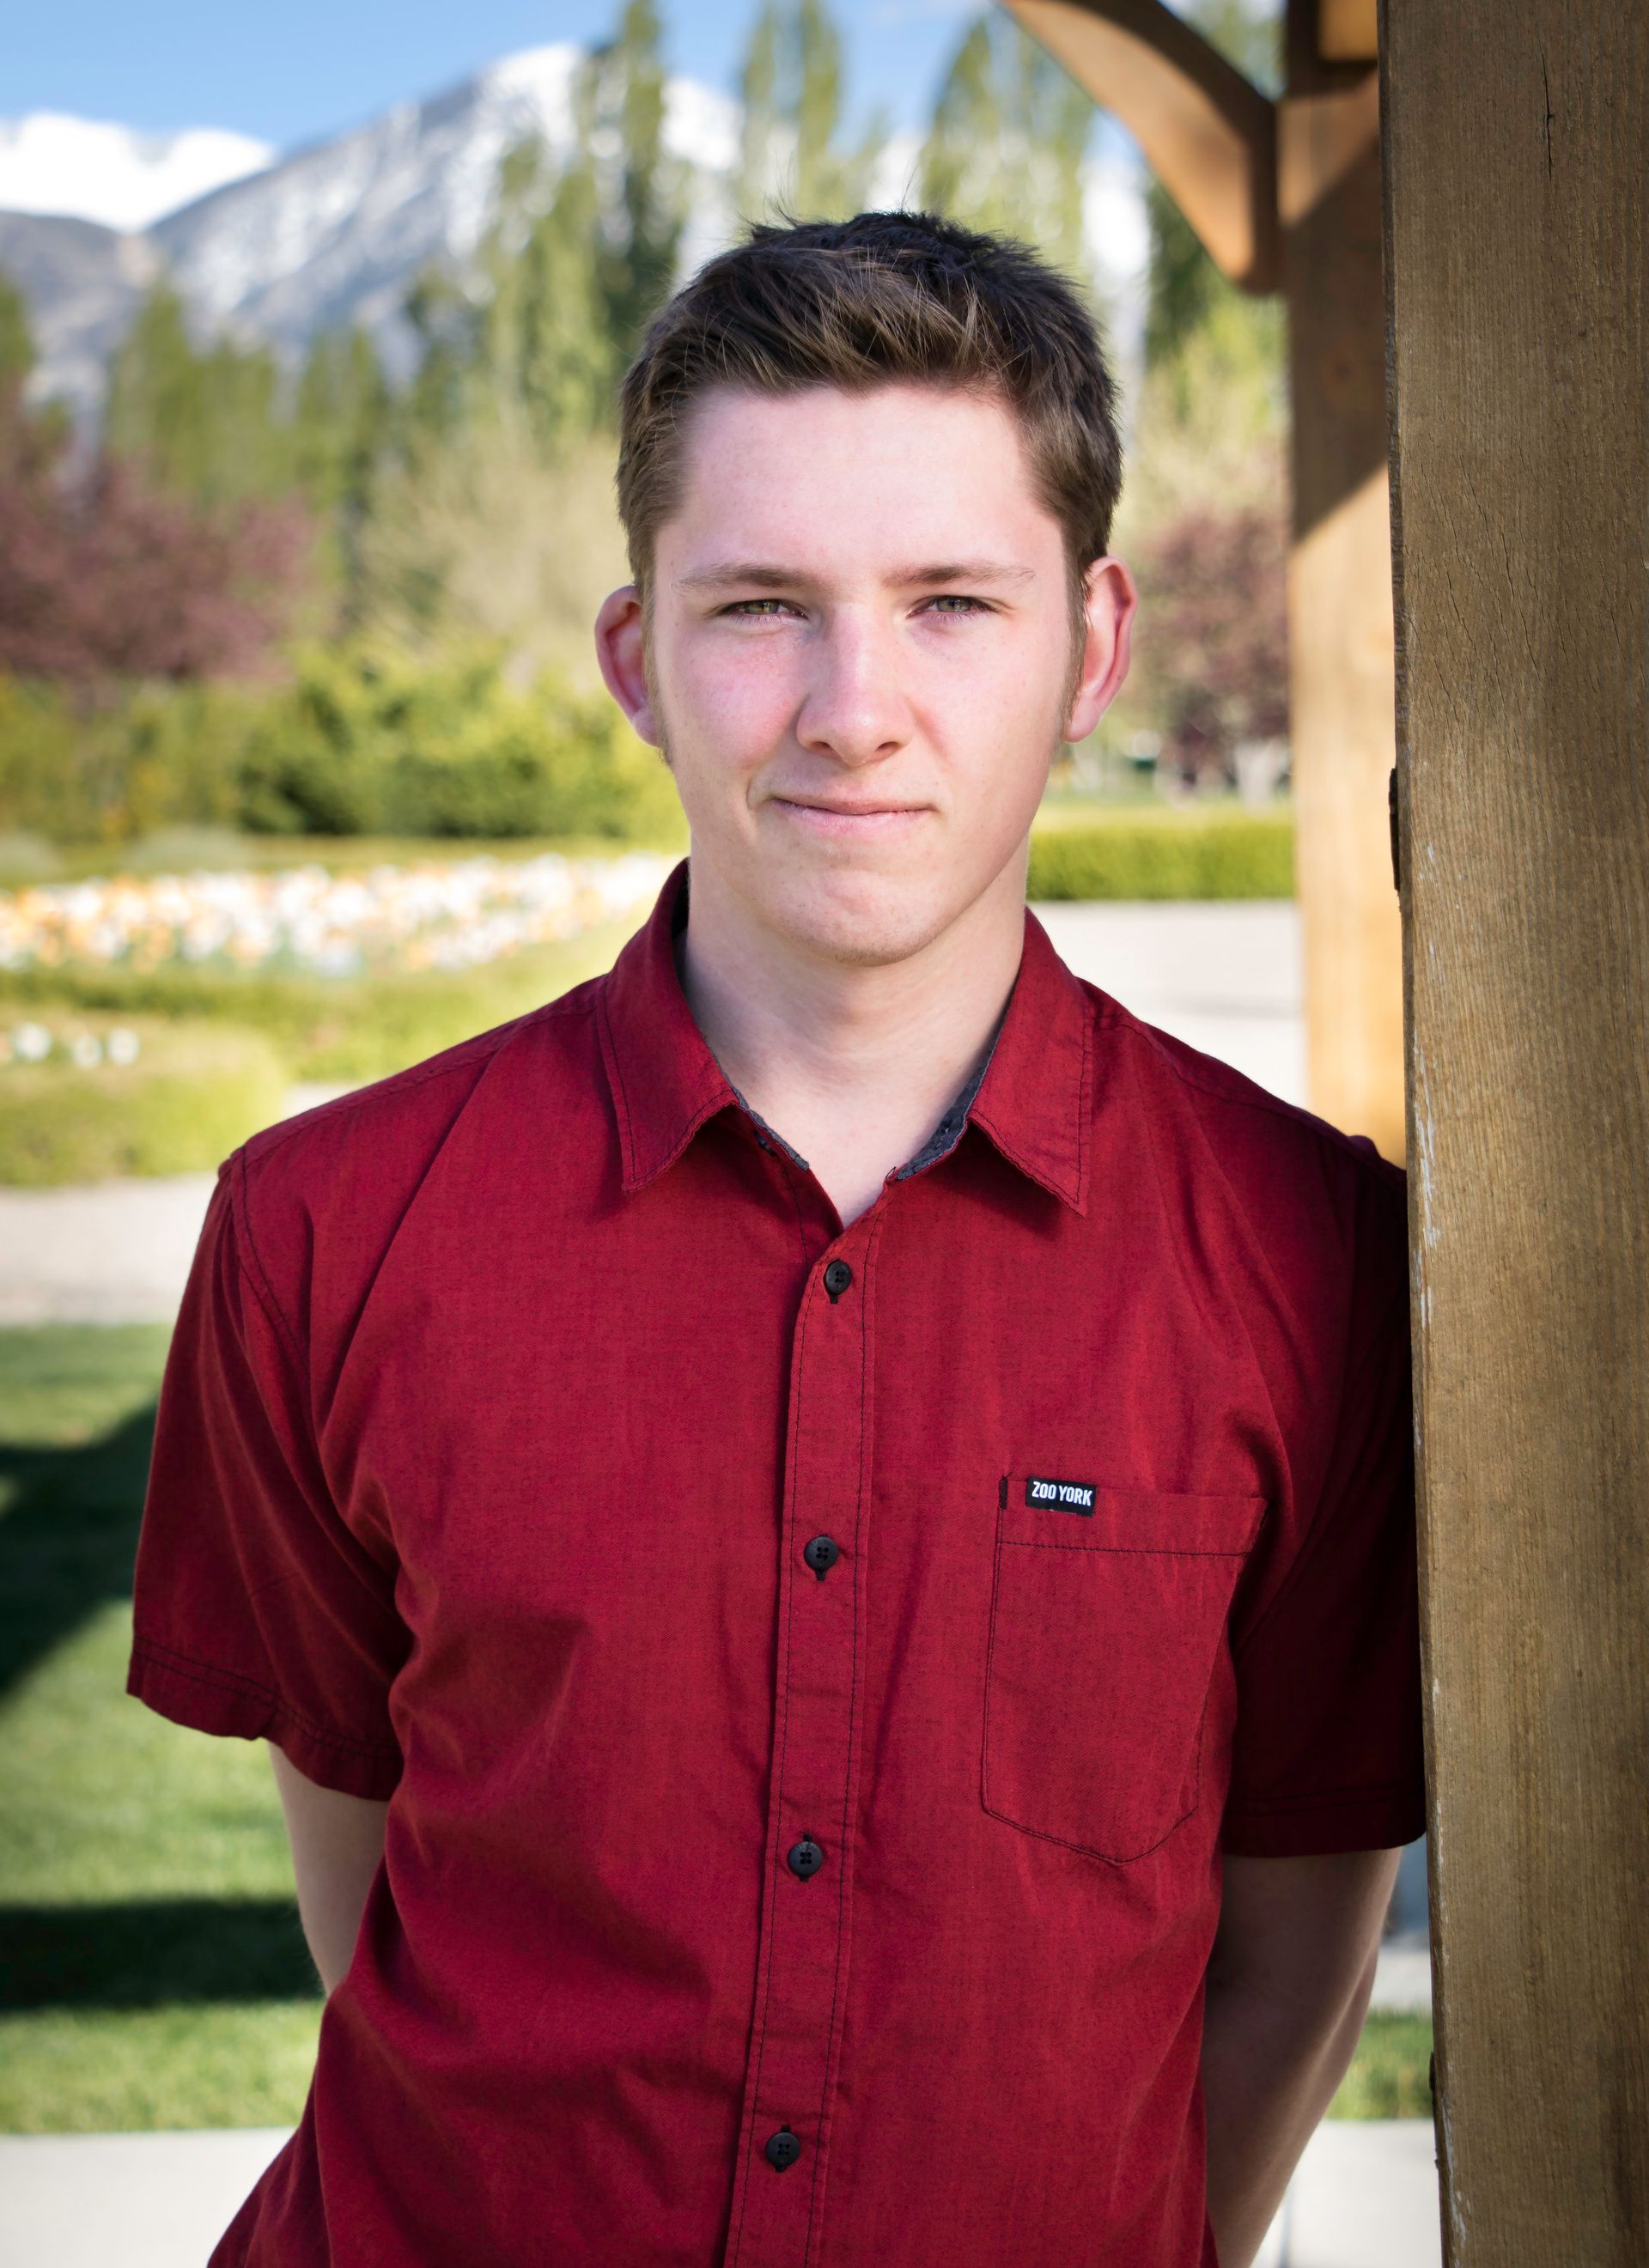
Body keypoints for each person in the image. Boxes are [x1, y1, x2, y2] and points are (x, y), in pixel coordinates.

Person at [128, 210, 1423, 2268]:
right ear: (637, 657)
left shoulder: (1321, 1260)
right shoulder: (324, 1229)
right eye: (760, 607)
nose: (852, 706)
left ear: (1091, 647)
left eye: (948, 604)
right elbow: (368, 1876)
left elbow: (1289, 1962)